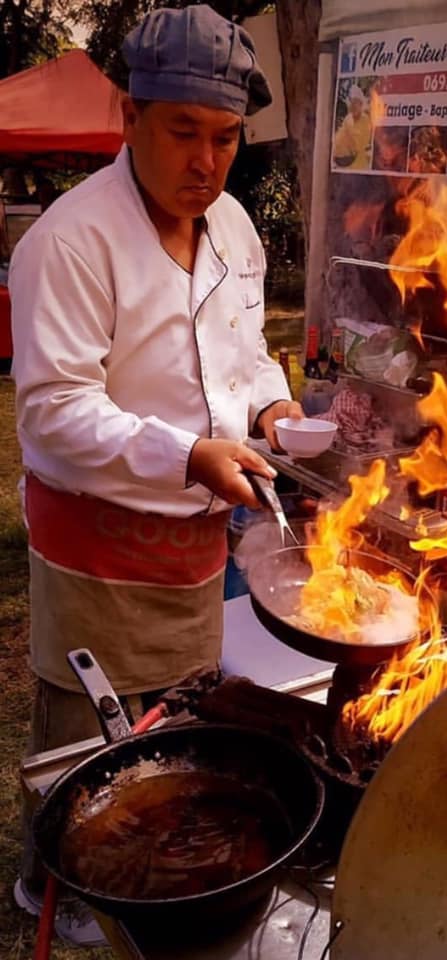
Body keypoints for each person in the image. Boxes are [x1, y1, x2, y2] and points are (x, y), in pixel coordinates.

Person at [9, 3, 303, 937]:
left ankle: (152, 859)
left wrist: (272, 407)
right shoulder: (70, 239)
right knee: (76, 739)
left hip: (192, 539)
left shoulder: (236, 233)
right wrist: (184, 454)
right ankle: (48, 888)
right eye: (183, 131)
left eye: (224, 138)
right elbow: (54, 413)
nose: (206, 162)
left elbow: (246, 353)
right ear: (130, 115)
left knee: (177, 723)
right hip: (96, 538)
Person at [333, 84, 372, 170]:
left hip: (359, 164)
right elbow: (340, 137)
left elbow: (361, 144)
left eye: (355, 102)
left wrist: (350, 138)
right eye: (351, 102)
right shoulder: (348, 118)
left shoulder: (365, 120)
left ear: (361, 104)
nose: (353, 105)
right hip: (344, 163)